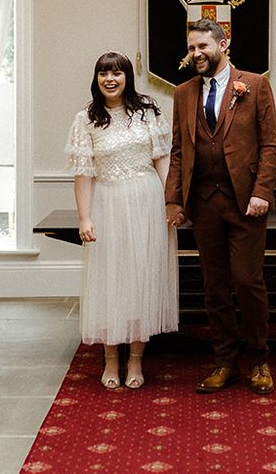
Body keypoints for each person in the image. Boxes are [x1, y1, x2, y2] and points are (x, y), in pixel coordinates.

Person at [165, 19, 276, 395]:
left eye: (203, 46)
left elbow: (270, 145)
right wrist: (173, 199)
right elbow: (179, 150)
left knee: (247, 282)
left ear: (223, 44)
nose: (196, 54)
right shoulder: (182, 93)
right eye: (191, 48)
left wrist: (262, 191)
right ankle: (225, 362)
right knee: (214, 287)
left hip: (246, 201)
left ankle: (260, 360)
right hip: (203, 203)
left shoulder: (255, 85)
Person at [65, 52, 178, 390]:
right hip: (107, 203)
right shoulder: (85, 119)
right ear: (96, 78)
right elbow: (83, 174)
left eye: (116, 73)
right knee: (110, 278)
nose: (110, 79)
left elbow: (162, 162)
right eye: (103, 73)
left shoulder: (147, 112)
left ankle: (137, 359)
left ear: (128, 77)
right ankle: (111, 358)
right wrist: (84, 217)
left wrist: (171, 202)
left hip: (147, 201)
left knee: (142, 276)